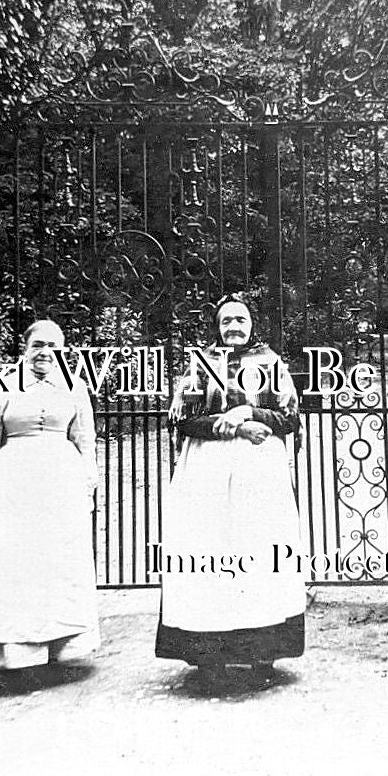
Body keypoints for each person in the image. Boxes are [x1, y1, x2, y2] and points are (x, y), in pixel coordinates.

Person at [155, 294, 305, 686]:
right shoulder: (200, 366)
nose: (233, 327)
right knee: (209, 554)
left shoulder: (272, 364)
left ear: (252, 324)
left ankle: (262, 656)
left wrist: (250, 412)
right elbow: (184, 420)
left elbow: (289, 417)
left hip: (259, 473)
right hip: (206, 470)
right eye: (226, 322)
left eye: (240, 320)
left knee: (257, 552)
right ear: (217, 327)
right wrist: (233, 425)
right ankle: (210, 659)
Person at [0, 319, 100, 698]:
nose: (45, 353)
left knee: (53, 571)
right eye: (38, 344)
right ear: (24, 347)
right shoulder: (2, 387)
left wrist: (86, 491)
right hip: (13, 494)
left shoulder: (74, 388)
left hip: (61, 494)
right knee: (6, 571)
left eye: (53, 346)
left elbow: (86, 443)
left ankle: (52, 656)